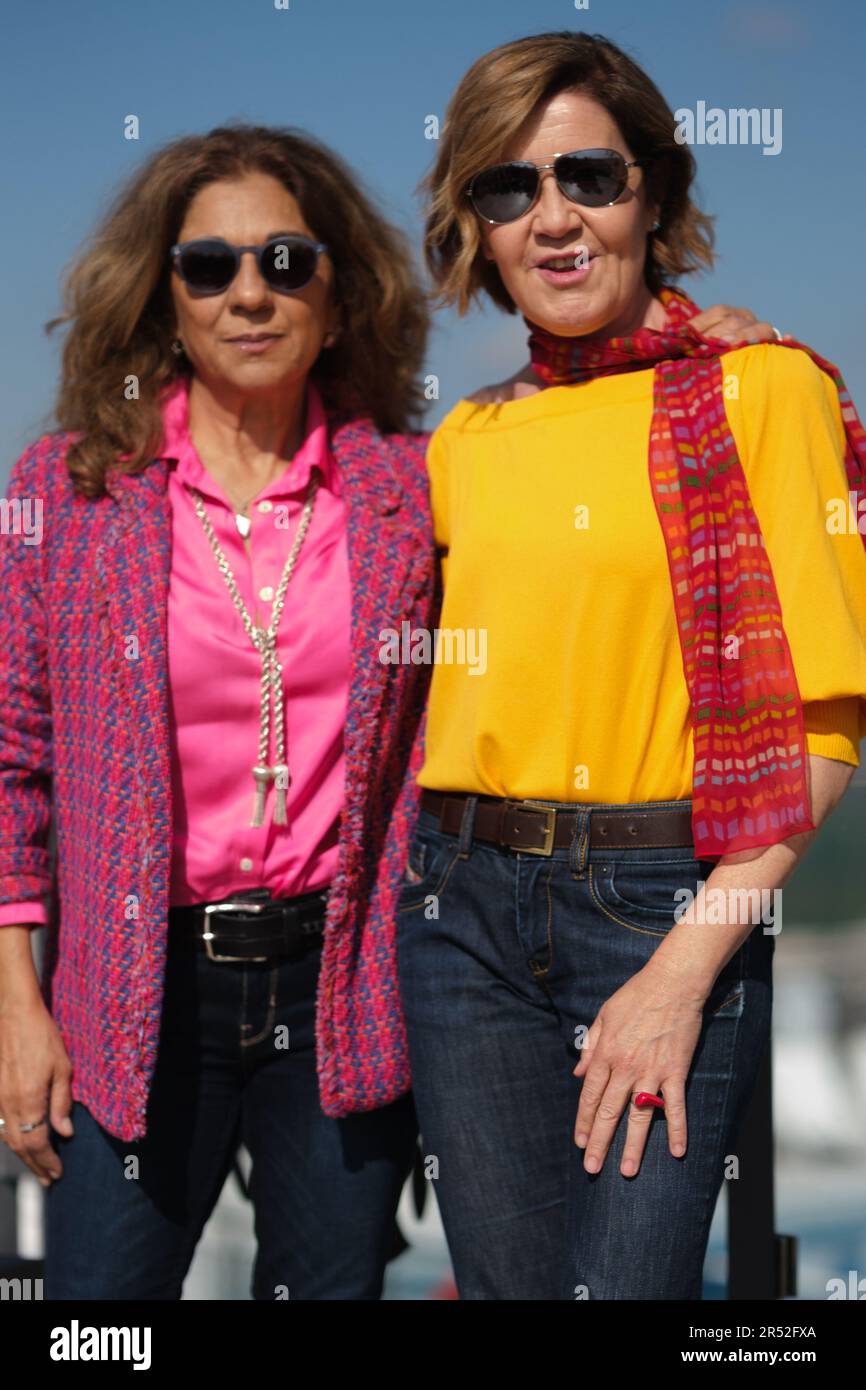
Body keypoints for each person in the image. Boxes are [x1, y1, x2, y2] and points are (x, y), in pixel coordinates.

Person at [397, 31, 866, 1299]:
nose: (550, 219)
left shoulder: (762, 393)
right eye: (507, 188)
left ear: (651, 193)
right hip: (459, 909)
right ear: (477, 227)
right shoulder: (463, 441)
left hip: (663, 909)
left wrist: (677, 971)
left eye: (587, 177)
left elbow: (824, 726)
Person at [0, 123, 436, 1300]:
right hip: (132, 989)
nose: (250, 292)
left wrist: (700, 336)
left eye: (287, 262)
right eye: (210, 266)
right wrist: (16, 999)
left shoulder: (411, 486)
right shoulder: (70, 491)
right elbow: (13, 755)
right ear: (168, 296)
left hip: (340, 982)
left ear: (339, 299)